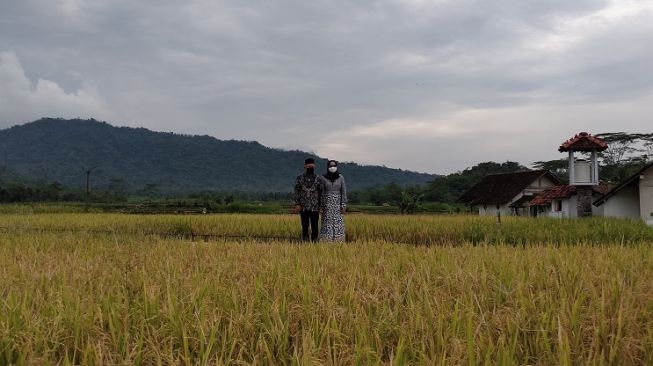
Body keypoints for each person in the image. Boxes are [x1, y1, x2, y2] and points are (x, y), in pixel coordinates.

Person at [293, 158, 322, 242]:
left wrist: (321, 206)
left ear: (314, 166)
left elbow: (321, 192)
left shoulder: (318, 178)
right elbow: (296, 191)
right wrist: (297, 204)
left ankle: (315, 243)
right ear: (304, 166)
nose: (310, 167)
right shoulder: (300, 178)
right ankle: (305, 243)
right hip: (303, 206)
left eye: (311, 165)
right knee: (304, 226)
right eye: (308, 165)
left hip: (315, 206)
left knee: (315, 226)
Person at [319, 160, 347, 242]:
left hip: (338, 203)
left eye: (334, 165)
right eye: (330, 166)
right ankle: (326, 240)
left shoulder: (341, 177)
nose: (332, 167)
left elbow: (343, 191)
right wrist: (321, 206)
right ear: (327, 167)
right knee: (327, 222)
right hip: (327, 203)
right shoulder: (323, 178)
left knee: (338, 221)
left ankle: (338, 240)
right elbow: (321, 192)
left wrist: (343, 205)